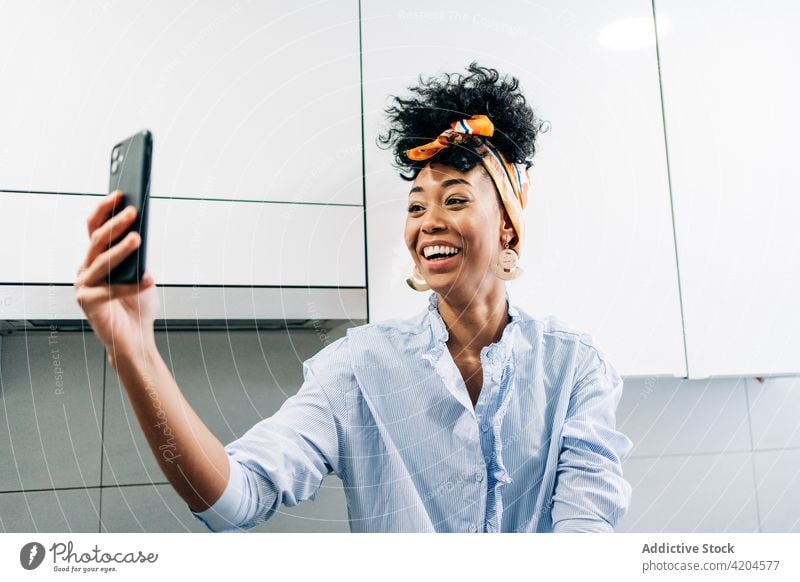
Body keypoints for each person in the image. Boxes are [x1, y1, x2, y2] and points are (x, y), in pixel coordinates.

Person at [74, 62, 632, 533]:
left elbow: (584, 539)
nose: (428, 223)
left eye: (455, 200)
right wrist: (136, 353)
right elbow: (233, 499)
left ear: (508, 227)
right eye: (416, 207)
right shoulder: (357, 368)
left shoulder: (575, 368)